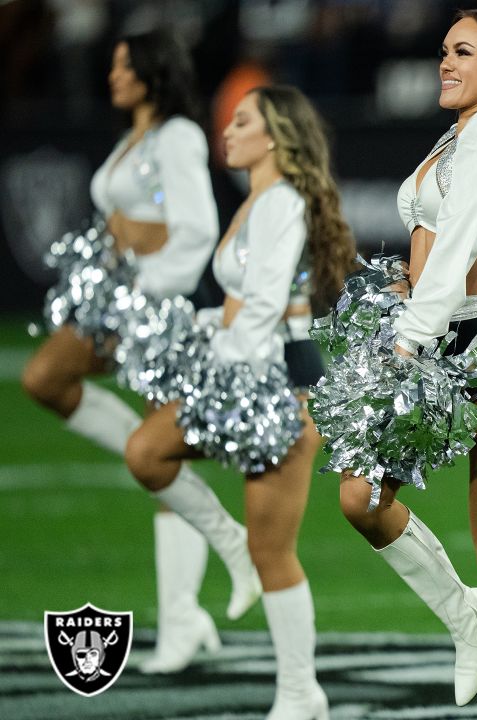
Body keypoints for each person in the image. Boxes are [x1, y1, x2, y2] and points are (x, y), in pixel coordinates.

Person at [333, 9, 477, 719]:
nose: (445, 62)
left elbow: (463, 240)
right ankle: (462, 615)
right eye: (444, 50)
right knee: (362, 498)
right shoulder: (457, 133)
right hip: (430, 337)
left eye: (462, 52)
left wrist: (409, 334)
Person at [125, 84, 355, 719]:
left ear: (276, 137)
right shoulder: (259, 198)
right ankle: (226, 544)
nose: (227, 129)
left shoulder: (281, 202)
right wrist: (200, 337)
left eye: (243, 121)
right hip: (243, 369)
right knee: (147, 453)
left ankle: (299, 692)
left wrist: (224, 365)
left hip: (272, 381)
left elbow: (263, 302)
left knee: (272, 549)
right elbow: (236, 303)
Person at [20, 30, 225, 674]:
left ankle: (182, 619)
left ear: (152, 72)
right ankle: (151, 447)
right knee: (46, 378)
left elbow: (196, 232)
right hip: (117, 300)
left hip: (157, 307)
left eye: (123, 65)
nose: (112, 76)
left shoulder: (180, 137)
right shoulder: (134, 138)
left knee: (159, 466)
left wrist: (145, 275)